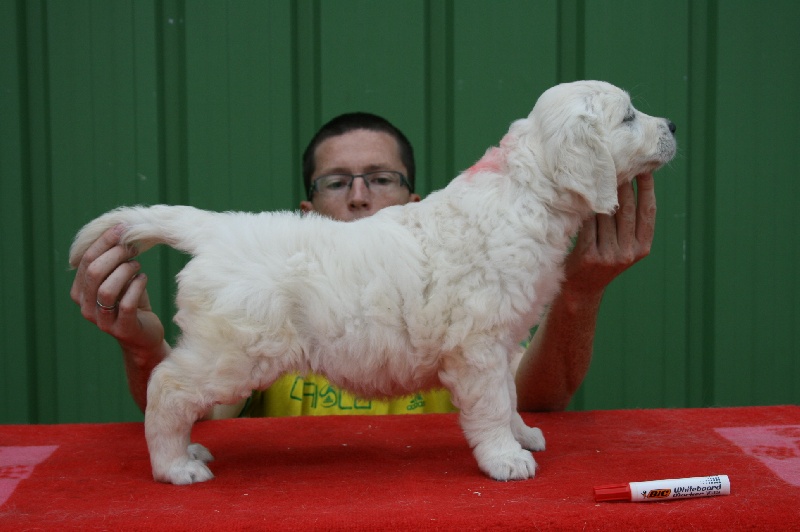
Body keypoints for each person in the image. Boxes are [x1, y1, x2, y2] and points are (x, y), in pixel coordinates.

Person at [70, 112, 656, 418]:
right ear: (305, 213)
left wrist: (580, 294)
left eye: (380, 179)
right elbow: (200, 409)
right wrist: (144, 348)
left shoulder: (464, 280)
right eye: (335, 182)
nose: (357, 197)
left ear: (417, 205)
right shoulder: (269, 282)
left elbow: (534, 400)